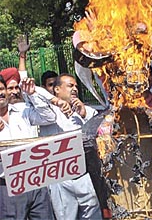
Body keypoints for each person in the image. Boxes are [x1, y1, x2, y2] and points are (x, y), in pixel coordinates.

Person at [39, 73, 110, 220]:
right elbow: (31, 92)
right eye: (70, 86)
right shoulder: (47, 114)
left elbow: (100, 139)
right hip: (60, 179)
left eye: (76, 86)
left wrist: (85, 116)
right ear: (57, 89)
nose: (75, 89)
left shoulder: (88, 112)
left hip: (85, 176)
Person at [0, 75, 56, 219]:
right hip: (8, 188)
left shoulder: (22, 111)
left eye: (1, 89)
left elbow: (50, 118)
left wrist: (33, 94)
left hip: (35, 181)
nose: (0, 93)